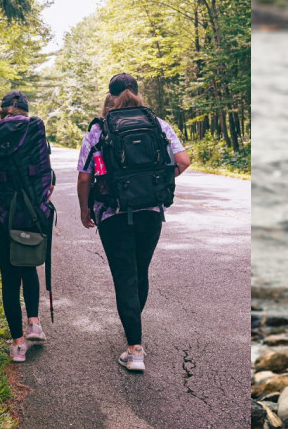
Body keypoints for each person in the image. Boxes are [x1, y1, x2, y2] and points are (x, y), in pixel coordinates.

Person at [76, 73, 190, 372]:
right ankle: (133, 326)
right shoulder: (158, 123)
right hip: (151, 211)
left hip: (113, 212)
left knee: (124, 274)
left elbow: (85, 176)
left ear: (109, 97)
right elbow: (183, 161)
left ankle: (135, 348)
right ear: (137, 94)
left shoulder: (98, 131)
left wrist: (84, 209)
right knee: (140, 270)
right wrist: (157, 183)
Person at [0, 91, 55, 362]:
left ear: (2, 113)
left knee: (9, 278)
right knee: (29, 267)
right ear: (25, 111)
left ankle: (18, 344)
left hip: (2, 216)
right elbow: (48, 182)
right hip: (31, 216)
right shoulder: (35, 133)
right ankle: (34, 322)